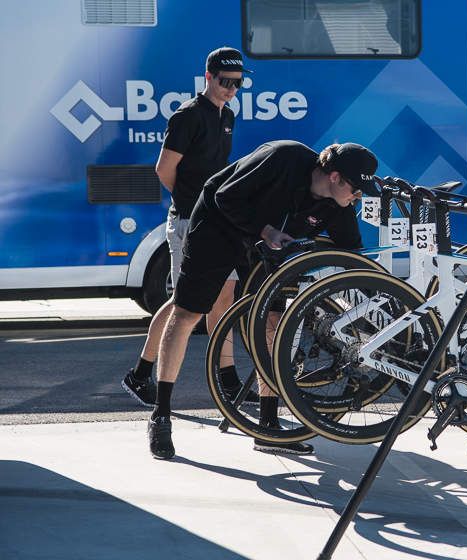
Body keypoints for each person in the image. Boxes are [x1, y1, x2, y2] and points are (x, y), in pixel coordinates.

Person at [147, 140, 379, 460]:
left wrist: (379, 310)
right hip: (218, 226)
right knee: (188, 313)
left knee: (272, 322)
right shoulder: (283, 157)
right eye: (356, 189)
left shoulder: (336, 206)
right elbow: (224, 196)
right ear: (335, 177)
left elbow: (353, 257)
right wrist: (265, 230)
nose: (358, 197)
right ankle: (161, 415)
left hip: (266, 247)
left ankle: (268, 426)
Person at [122, 47, 256, 408]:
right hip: (188, 222)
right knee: (186, 304)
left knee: (224, 297)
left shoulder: (226, 115)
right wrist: (190, 205)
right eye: (226, 82)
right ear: (208, 77)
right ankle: (141, 373)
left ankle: (227, 379)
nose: (231, 89)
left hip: (218, 222)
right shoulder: (188, 116)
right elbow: (164, 170)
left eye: (238, 84)